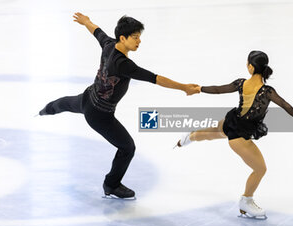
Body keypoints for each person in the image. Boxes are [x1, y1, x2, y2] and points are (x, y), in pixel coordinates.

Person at [39, 12, 200, 199]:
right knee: (127, 148)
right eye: (135, 37)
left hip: (88, 98)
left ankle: (45, 110)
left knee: (64, 103)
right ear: (123, 38)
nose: (139, 41)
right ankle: (111, 185)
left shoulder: (108, 44)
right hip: (99, 115)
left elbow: (97, 32)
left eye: (140, 37)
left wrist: (86, 22)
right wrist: (183, 88)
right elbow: (155, 78)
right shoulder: (123, 64)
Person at [177, 50, 293, 219]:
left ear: (250, 67)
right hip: (240, 135)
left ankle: (189, 137)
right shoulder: (267, 91)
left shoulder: (241, 83)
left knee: (212, 134)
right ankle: (246, 201)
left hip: (231, 121)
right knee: (260, 169)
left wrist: (199, 89)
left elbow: (218, 90)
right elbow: (283, 103)